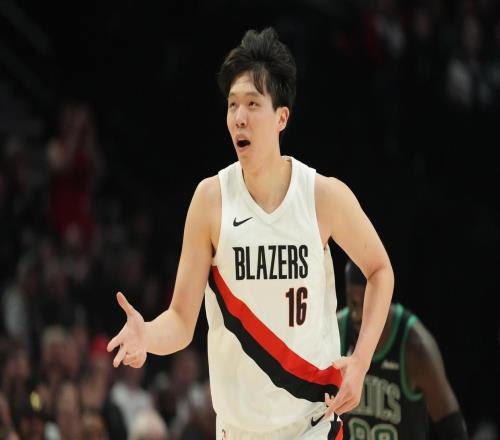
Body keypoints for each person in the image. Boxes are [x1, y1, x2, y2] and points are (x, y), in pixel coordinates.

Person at [107, 27, 394, 439]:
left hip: (312, 424)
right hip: (237, 431)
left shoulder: (322, 196)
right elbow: (181, 321)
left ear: (281, 117)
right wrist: (146, 335)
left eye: (253, 104)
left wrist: (361, 361)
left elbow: (380, 270)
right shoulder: (211, 200)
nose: (239, 117)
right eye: (232, 105)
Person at [338, 259, 468, 439]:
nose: (357, 314)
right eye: (352, 302)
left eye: (366, 303)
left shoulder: (415, 347)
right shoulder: (336, 331)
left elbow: (453, 431)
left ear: (384, 297)